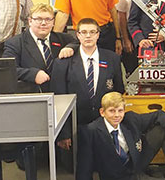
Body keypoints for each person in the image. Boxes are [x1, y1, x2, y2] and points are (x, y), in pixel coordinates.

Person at [76, 92, 165, 180]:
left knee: (162, 128)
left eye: (120, 111)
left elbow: (159, 115)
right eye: (111, 111)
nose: (116, 115)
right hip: (116, 176)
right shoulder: (91, 131)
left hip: (136, 165)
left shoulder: (130, 119)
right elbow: (84, 169)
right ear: (102, 112)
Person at [51, 18, 124, 150]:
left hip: (105, 126)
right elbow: (58, 99)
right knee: (77, 167)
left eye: (92, 32)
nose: (88, 36)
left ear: (98, 34)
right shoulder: (62, 62)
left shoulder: (112, 58)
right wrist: (63, 134)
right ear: (77, 35)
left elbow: (118, 91)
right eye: (84, 32)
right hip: (75, 128)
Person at [2, 3, 75, 92]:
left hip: (61, 95)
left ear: (53, 22)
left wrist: (70, 47)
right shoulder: (15, 43)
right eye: (38, 19)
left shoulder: (63, 39)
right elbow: (8, 70)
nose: (43, 23)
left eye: (48, 19)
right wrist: (32, 74)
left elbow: (79, 42)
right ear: (30, 21)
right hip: (32, 96)